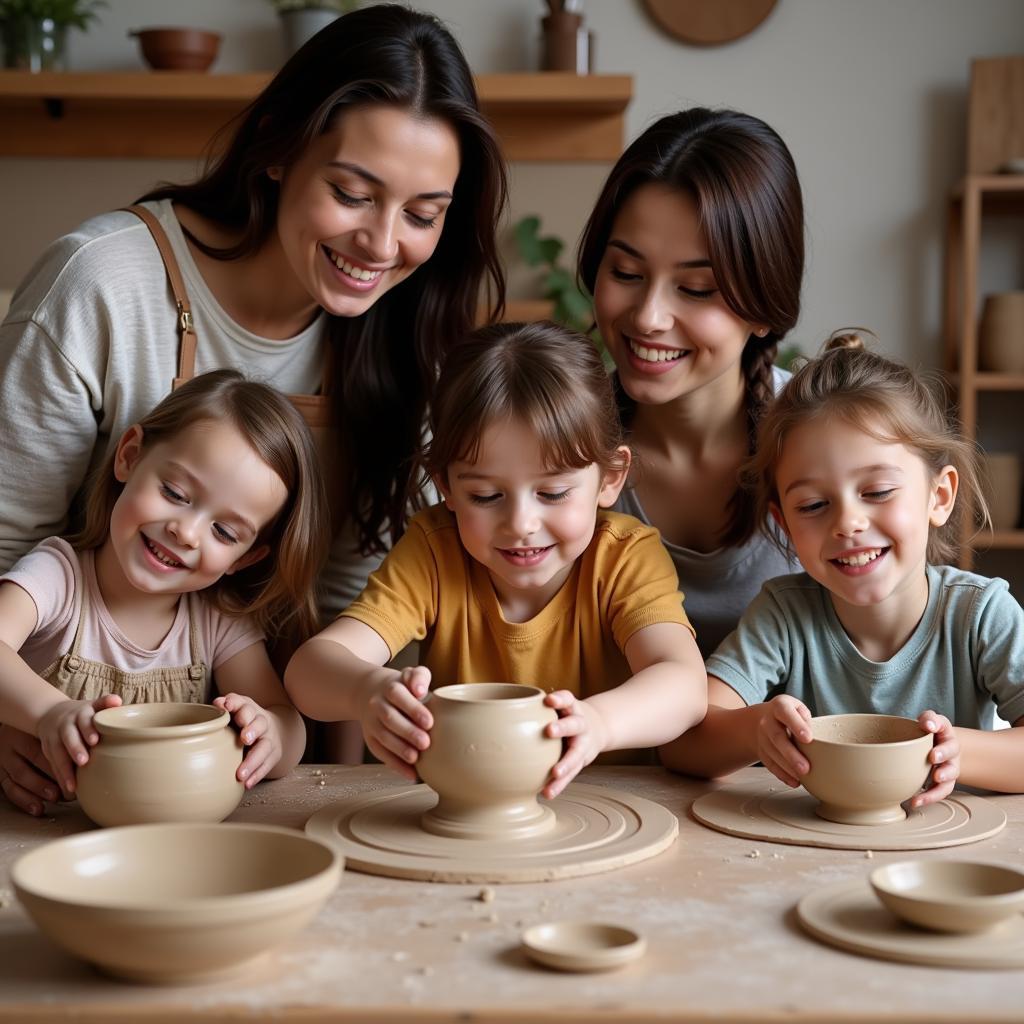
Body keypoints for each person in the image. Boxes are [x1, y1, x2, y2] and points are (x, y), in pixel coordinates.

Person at [0, 4, 507, 811]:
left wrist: (326, 750)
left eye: (421, 214)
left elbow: (355, 600)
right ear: (277, 148)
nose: (381, 246)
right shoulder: (100, 285)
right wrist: (20, 722)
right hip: (60, 760)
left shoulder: (412, 340)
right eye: (352, 192)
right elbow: (8, 549)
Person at [284, 322, 708, 796]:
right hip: (463, 803)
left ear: (610, 477)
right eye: (485, 496)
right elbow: (310, 669)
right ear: (444, 485)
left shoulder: (625, 556)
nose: (521, 523)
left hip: (615, 799)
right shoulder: (434, 550)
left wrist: (600, 724)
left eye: (552, 492)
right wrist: (365, 691)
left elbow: (685, 687)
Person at [660, 334, 1024, 804]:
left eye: (876, 492)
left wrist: (957, 752)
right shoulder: (784, 616)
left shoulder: (980, 613)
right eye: (813, 504)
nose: (848, 523)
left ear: (940, 496)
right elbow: (683, 741)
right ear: (784, 522)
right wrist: (754, 731)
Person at [0, 370, 324, 801]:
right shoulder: (57, 577)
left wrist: (272, 735)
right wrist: (48, 714)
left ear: (244, 559)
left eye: (224, 533)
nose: (186, 533)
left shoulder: (215, 621)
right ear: (130, 456)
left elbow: (287, 719)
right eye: (174, 492)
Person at [577, 107, 804, 659]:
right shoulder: (557, 443)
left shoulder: (832, 442)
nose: (649, 316)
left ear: (765, 307)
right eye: (626, 274)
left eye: (697, 289)